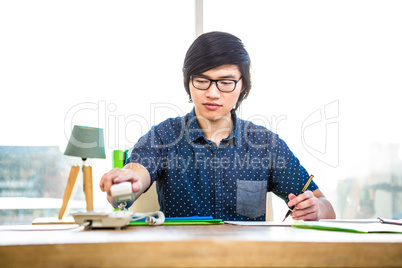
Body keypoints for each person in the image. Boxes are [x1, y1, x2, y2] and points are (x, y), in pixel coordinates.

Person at [100, 31, 335, 221]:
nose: (212, 93)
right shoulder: (163, 136)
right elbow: (135, 176)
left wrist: (315, 209)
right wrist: (124, 183)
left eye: (225, 82)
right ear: (187, 82)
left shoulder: (266, 144)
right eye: (201, 81)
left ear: (243, 86)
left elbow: (326, 207)